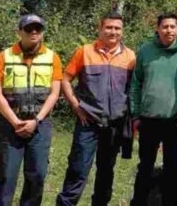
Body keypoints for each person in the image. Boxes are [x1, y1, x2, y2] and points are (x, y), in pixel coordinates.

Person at [56, 11, 136, 206]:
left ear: (122, 31)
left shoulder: (131, 56)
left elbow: (134, 89)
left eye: (117, 28)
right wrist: (76, 106)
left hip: (115, 124)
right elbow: (65, 80)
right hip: (88, 122)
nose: (113, 32)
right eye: (109, 27)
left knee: (106, 171)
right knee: (78, 169)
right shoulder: (85, 51)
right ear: (100, 29)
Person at [0, 14, 62, 206]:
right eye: (28, 29)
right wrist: (15, 122)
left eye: (37, 28)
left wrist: (36, 121)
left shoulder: (52, 57)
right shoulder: (3, 57)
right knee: (7, 176)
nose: (34, 32)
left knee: (37, 174)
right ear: (19, 32)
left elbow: (54, 93)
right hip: (10, 125)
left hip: (40, 124)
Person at [129, 13, 177, 206]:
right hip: (148, 118)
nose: (169, 30)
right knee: (145, 167)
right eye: (165, 27)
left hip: (175, 119)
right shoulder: (145, 50)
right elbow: (136, 83)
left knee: (171, 167)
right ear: (157, 29)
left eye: (173, 27)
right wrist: (135, 114)